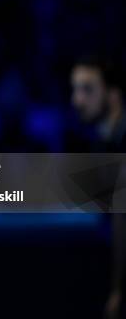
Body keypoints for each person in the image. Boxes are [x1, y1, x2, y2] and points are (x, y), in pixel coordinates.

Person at [70, 55, 126, 319]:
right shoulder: (100, 142)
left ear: (113, 95)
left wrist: (118, 291)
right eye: (75, 90)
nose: (77, 101)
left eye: (88, 89)